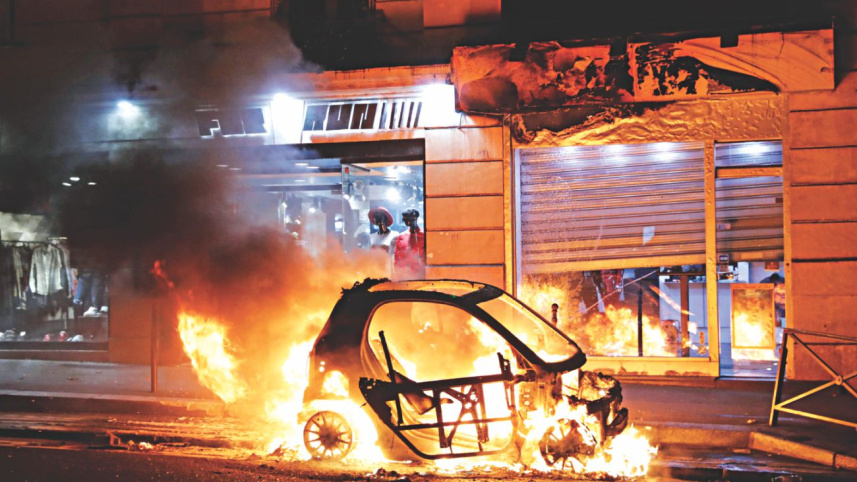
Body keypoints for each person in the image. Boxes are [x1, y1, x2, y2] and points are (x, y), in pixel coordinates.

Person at [394, 209, 426, 280]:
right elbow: (397, 258)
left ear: (415, 219)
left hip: (420, 275)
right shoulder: (401, 236)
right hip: (403, 275)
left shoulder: (424, 236)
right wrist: (396, 274)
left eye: (408, 219)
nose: (406, 222)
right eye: (405, 220)